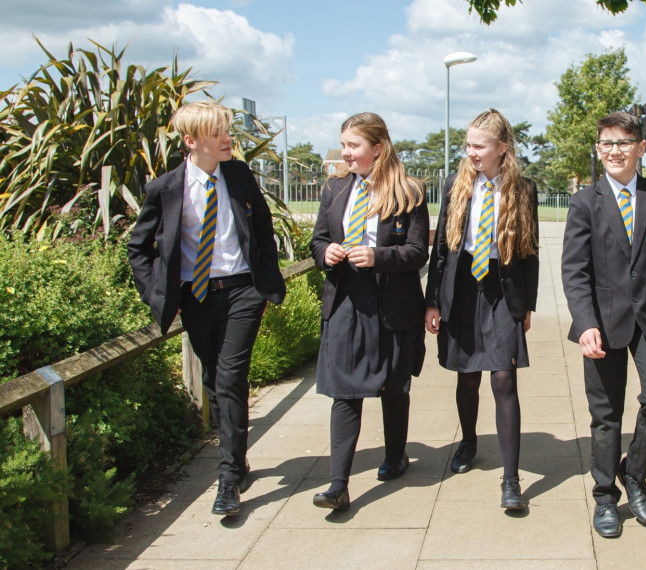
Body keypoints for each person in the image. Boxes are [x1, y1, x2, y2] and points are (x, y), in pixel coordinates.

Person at [127, 101, 287, 517]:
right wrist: (158, 296)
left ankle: (228, 480)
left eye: (226, 130)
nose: (227, 138)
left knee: (231, 376)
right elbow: (138, 249)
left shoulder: (238, 175)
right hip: (197, 297)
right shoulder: (164, 189)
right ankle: (238, 458)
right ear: (192, 141)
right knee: (217, 382)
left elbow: (263, 228)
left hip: (242, 292)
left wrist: (264, 280)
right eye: (218, 133)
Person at [562, 111, 646, 537]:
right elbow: (575, 272)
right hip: (602, 323)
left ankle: (633, 474)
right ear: (598, 150)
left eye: (623, 143)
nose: (614, 150)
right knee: (606, 415)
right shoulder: (585, 201)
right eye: (606, 143)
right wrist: (584, 324)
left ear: (640, 148)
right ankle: (605, 496)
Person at [309, 112, 429, 512]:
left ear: (377, 148)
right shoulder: (335, 189)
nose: (345, 154)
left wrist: (377, 256)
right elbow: (318, 240)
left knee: (393, 386)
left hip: (393, 304)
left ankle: (396, 456)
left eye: (352, 146)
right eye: (343, 145)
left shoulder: (409, 191)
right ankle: (337, 485)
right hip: (346, 303)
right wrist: (325, 253)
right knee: (345, 392)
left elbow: (417, 252)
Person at [425, 109, 539, 512]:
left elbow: (529, 252)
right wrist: (433, 301)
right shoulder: (456, 185)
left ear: (501, 148)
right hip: (463, 291)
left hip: (503, 293)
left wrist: (528, 305)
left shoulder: (523, 189)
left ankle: (511, 479)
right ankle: (469, 441)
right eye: (468, 144)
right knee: (468, 377)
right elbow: (440, 251)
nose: (470, 152)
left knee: (504, 379)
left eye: (478, 145)